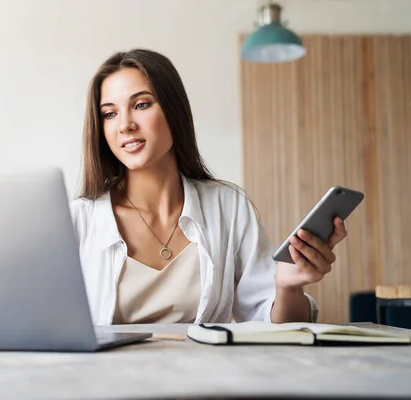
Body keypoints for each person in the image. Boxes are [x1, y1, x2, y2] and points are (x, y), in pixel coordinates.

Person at [70, 48, 347, 326]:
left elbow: (274, 326)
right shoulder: (79, 220)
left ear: (174, 109)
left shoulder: (228, 206)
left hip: (208, 370)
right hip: (112, 371)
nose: (125, 125)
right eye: (109, 114)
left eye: (141, 105)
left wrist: (289, 286)